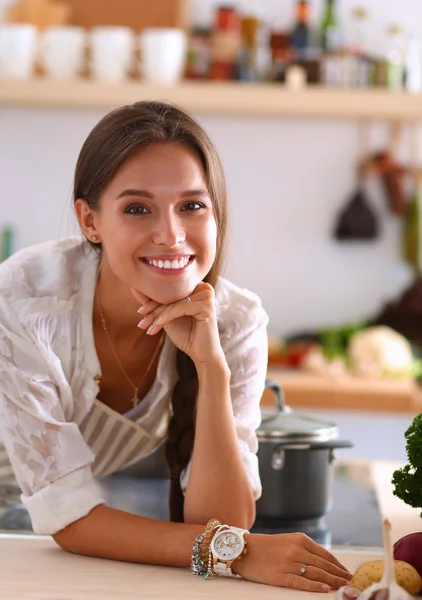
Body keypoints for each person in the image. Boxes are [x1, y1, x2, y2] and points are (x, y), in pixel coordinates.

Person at [0, 101, 351, 591]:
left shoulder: (236, 322)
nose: (170, 235)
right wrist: (237, 554)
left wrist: (212, 369)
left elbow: (223, 519)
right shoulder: (26, 299)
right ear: (90, 221)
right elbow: (69, 516)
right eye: (137, 208)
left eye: (192, 205)